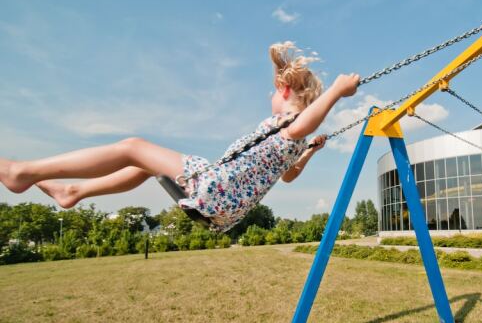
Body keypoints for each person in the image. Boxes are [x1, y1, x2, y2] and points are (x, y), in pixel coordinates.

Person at [0, 42, 360, 232]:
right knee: (144, 165)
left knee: (132, 146)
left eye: (271, 91)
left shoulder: (291, 123)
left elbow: (304, 124)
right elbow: (289, 176)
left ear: (283, 90)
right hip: (224, 209)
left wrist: (338, 92)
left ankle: (23, 173)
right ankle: (74, 191)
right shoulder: (293, 141)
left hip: (214, 187)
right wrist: (310, 152)